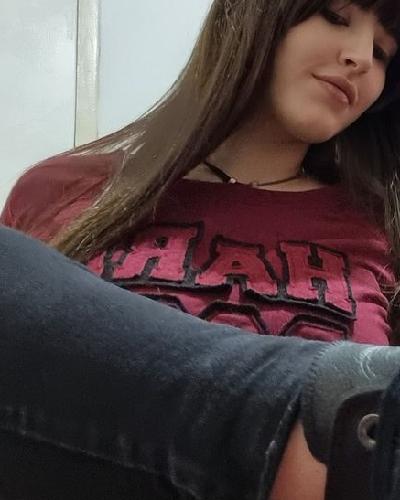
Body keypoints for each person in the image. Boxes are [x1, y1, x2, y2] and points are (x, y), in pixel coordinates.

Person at [1, 0, 400, 497]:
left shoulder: (381, 227)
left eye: (383, 52)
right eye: (335, 16)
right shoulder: (61, 189)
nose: (360, 57)